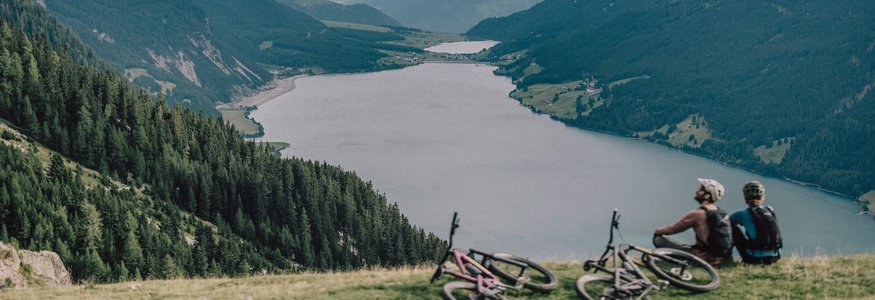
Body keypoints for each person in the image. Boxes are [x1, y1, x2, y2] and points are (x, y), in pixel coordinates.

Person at [653, 178, 731, 265]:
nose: (697, 191)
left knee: (659, 240)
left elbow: (672, 229)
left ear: (707, 196)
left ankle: (678, 262)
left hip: (701, 256)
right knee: (685, 246)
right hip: (718, 256)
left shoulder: (698, 214)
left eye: (701, 189)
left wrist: (658, 231)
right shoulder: (721, 212)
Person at [730, 181, 782, 265]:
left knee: (731, 227)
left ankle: (726, 256)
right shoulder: (770, 210)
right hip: (774, 257)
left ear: (745, 198)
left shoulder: (742, 214)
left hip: (753, 258)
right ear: (763, 197)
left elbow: (725, 222)